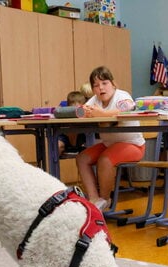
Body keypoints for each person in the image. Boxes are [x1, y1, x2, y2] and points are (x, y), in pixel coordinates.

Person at [77, 66, 145, 211]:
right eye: (96, 85)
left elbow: (127, 108)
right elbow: (80, 111)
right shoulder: (95, 100)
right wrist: (85, 112)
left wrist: (101, 114)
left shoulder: (121, 95)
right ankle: (94, 199)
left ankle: (104, 200)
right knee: (82, 158)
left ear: (113, 84)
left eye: (104, 83)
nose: (100, 88)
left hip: (132, 145)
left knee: (105, 160)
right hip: (109, 144)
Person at [58, 90, 86, 155]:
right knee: (57, 146)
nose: (76, 105)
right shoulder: (63, 111)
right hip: (65, 137)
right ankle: (54, 164)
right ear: (68, 105)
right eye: (72, 102)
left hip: (81, 137)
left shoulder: (86, 111)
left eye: (79, 102)